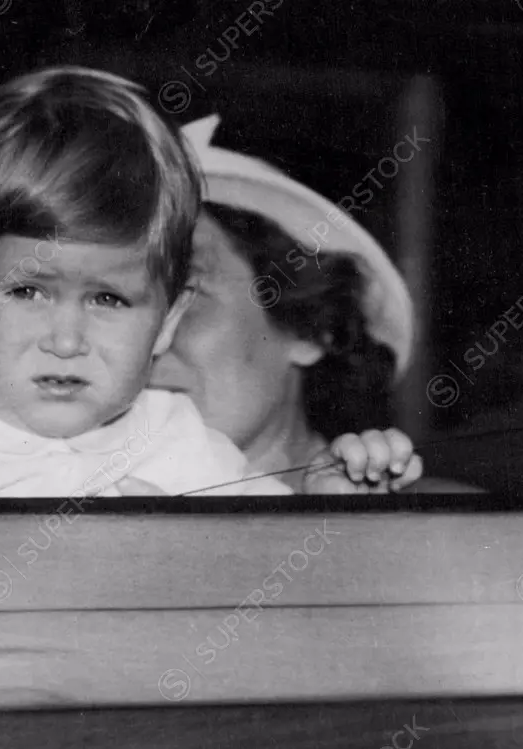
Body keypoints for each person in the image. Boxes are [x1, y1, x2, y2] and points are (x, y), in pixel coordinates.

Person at [0, 68, 423, 536]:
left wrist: (333, 514)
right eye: (28, 291)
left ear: (167, 320)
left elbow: (283, 571)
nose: (67, 340)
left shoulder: (181, 440)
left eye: (108, 298)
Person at [148, 115, 474, 493]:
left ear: (309, 327)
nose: (143, 340)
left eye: (183, 294)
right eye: (113, 301)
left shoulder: (438, 523)